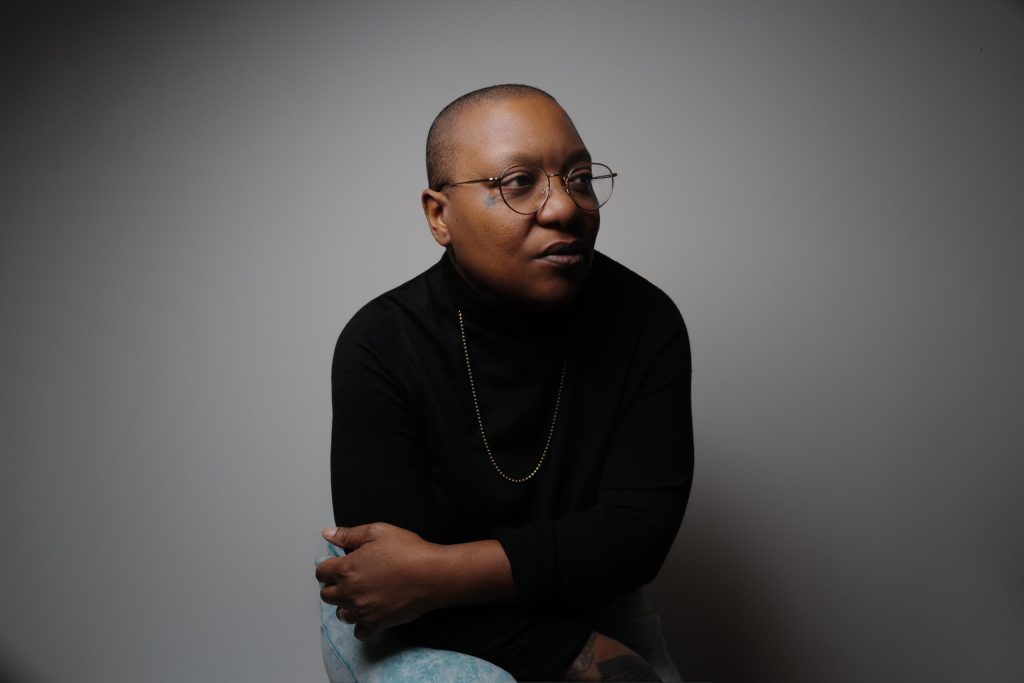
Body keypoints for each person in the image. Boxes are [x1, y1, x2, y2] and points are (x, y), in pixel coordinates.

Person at [316, 84, 693, 682]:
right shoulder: (381, 342)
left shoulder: (646, 322)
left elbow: (636, 538)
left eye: (579, 178)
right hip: (408, 621)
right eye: (518, 182)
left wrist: (434, 572)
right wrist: (579, 654)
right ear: (439, 216)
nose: (564, 207)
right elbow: (386, 584)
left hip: (580, 596)